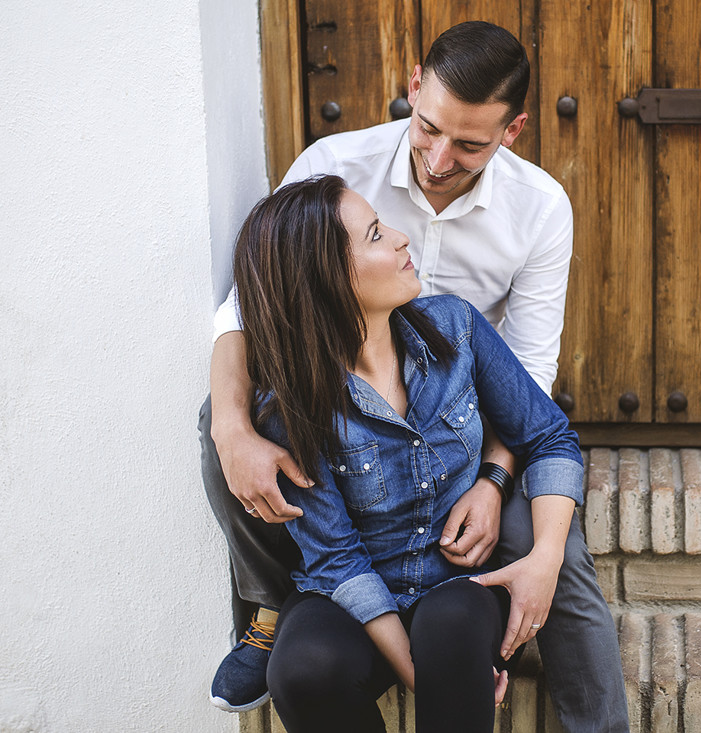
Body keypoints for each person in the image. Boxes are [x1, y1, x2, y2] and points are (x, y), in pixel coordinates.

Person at [201, 20, 629, 732]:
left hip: (469, 412)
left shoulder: (537, 211)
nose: (437, 159)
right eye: (428, 128)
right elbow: (251, 304)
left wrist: (494, 482)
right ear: (413, 89)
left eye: (469, 145)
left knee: (561, 558)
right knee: (222, 425)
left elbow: (533, 391)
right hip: (336, 393)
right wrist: (230, 425)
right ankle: (272, 605)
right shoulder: (336, 169)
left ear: (513, 131)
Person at [231, 173, 586, 730]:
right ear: (326, 277)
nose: (401, 238)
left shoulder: (456, 328)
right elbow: (336, 558)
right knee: (301, 671)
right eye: (375, 234)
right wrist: (416, 672)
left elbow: (549, 438)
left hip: (458, 588)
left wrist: (545, 560)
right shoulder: (290, 406)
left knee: (451, 629)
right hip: (353, 592)